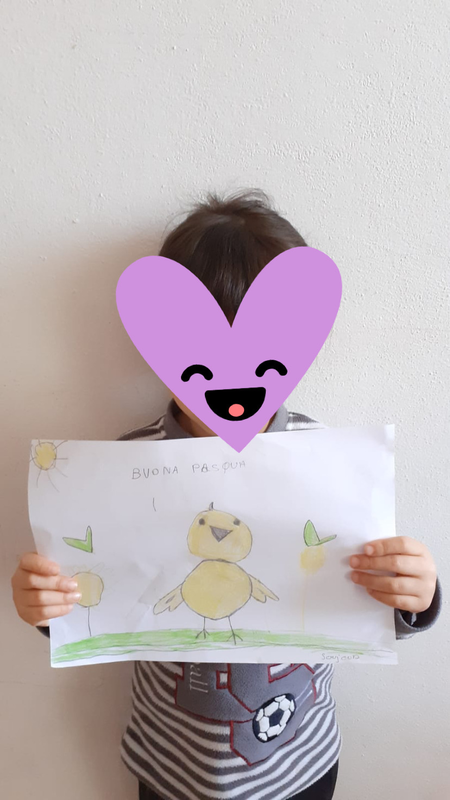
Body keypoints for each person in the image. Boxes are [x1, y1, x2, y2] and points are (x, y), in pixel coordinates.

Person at [12, 190, 441, 800]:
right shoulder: (122, 469)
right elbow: (93, 607)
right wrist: (46, 607)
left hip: (299, 760)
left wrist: (415, 597)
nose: (233, 387)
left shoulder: (330, 465)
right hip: (170, 762)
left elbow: (364, 601)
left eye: (262, 356)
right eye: (202, 357)